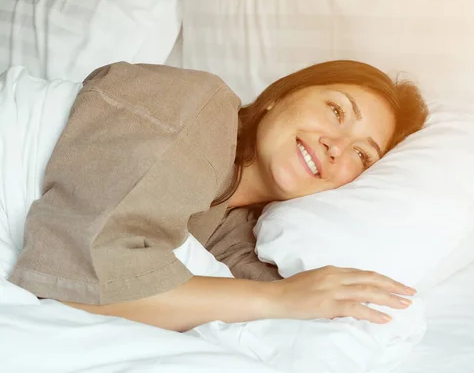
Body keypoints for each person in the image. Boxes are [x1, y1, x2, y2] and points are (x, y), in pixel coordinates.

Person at [8, 60, 428, 332]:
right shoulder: (199, 105)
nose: (336, 145)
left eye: (361, 154)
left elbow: (299, 311)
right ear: (279, 97)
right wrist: (279, 300)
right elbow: (79, 276)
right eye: (336, 111)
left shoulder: (233, 229)